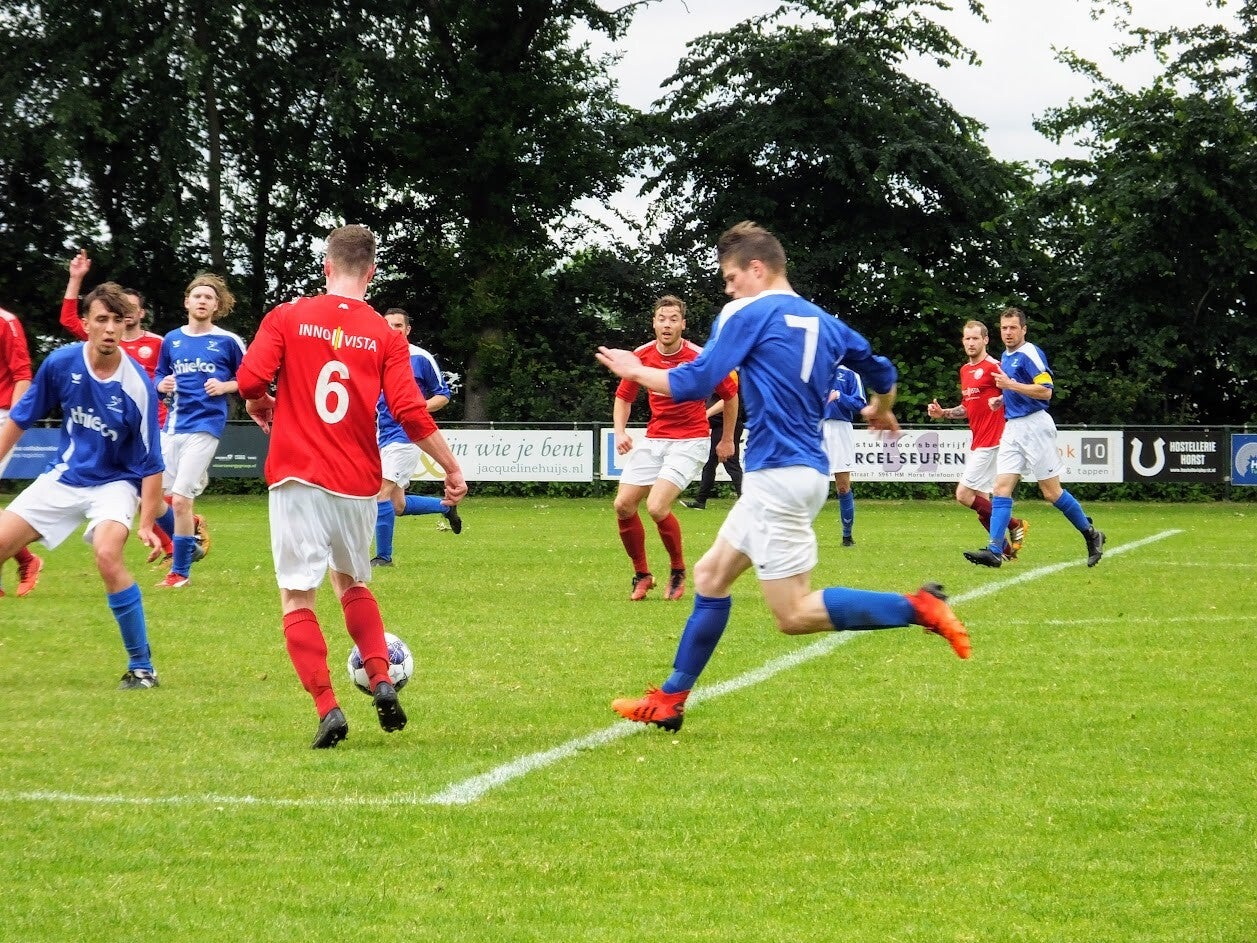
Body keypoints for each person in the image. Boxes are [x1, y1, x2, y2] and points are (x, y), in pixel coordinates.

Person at [596, 221, 969, 732]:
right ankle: (670, 698)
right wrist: (882, 408)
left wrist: (634, 370)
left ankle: (919, 607)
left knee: (792, 614)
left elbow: (697, 381)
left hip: (779, 476)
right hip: (794, 473)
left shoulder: (747, 312)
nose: (728, 290)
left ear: (756, 268)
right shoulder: (827, 323)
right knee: (711, 577)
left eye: (731, 278)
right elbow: (884, 372)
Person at [235, 223, 466, 749]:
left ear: (326, 267)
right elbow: (410, 411)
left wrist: (257, 401)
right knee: (353, 584)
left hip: (296, 475)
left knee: (298, 597)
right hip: (357, 481)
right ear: (372, 272)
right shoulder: (386, 335)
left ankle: (328, 708)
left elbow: (250, 381)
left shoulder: (288, 315)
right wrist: (451, 468)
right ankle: (381, 678)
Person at [0, 281, 165, 687]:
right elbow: (21, 417)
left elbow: (151, 461)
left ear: (126, 325)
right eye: (101, 319)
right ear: (86, 324)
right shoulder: (61, 363)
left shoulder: (137, 386)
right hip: (65, 476)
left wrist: (146, 522)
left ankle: (142, 667)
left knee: (107, 554)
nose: (110, 328)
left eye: (117, 321)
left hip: (116, 483)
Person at [60, 251, 192, 565]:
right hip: (113, 426)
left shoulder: (159, 343)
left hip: (152, 422)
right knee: (142, 491)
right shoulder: (105, 341)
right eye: (120, 309)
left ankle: (178, 544)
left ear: (141, 313)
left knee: (143, 488)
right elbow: (68, 320)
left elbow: (178, 371)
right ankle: (182, 537)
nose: (125, 314)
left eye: (130, 308)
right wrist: (75, 278)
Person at [612, 295, 739, 602]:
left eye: (673, 319)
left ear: (683, 324)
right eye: (661, 319)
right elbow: (624, 397)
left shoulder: (700, 357)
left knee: (656, 507)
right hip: (655, 438)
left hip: (691, 440)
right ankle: (642, 575)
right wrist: (619, 432)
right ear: (653, 324)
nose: (666, 325)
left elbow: (731, 395)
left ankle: (678, 570)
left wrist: (727, 438)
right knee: (623, 505)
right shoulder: (641, 356)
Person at [963, 307, 1104, 569]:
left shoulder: (1030, 353)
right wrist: (1002, 398)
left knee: (1052, 492)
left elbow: (1045, 391)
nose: (1008, 332)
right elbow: (1017, 389)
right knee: (1001, 489)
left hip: (1035, 426)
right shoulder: (1006, 356)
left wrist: (1009, 386)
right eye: (1004, 328)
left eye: (1013, 328)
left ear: (1024, 329)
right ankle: (995, 551)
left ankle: (1091, 534)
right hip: (1013, 427)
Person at [152, 272, 246, 587]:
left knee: (180, 499)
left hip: (205, 426)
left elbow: (250, 379)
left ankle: (180, 573)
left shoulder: (228, 341)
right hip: (172, 426)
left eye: (208, 297)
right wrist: (160, 384)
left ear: (216, 305)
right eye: (197, 296)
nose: (202, 301)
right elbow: (159, 375)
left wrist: (225, 386)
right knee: (152, 499)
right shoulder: (171, 339)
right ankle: (190, 539)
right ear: (187, 302)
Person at [927, 319, 1027, 559]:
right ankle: (1005, 552)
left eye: (975, 338)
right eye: (967, 338)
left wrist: (1001, 400)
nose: (971, 343)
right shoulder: (965, 370)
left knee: (964, 495)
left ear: (985, 340)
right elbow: (967, 407)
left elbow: (1016, 391)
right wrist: (944, 413)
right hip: (979, 440)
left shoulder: (995, 366)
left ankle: (1015, 524)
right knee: (982, 503)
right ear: (963, 341)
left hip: (995, 440)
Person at [371, 307, 462, 567]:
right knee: (397, 505)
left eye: (398, 325)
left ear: (408, 330)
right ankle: (445, 507)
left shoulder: (420, 357)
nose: (392, 330)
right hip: (382, 434)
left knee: (380, 493)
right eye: (387, 325)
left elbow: (443, 395)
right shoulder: (374, 357)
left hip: (407, 435)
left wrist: (415, 410)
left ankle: (383, 558)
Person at [0, 302, 42, 597]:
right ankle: (27, 560)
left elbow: (22, 375)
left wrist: (14, 424)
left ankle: (26, 562)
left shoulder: (7, 322)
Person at [822, 364, 866, 547]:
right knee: (807, 483)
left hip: (840, 429)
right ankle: (797, 534)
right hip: (814, 428)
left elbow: (860, 404)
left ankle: (847, 536)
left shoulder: (850, 374)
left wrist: (840, 396)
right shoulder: (812, 368)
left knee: (842, 485)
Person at [680, 390, 744, 510]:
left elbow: (728, 400)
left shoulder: (728, 382)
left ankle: (746, 499)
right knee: (710, 464)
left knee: (731, 464)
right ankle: (701, 500)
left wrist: (706, 413)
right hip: (719, 426)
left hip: (727, 426)